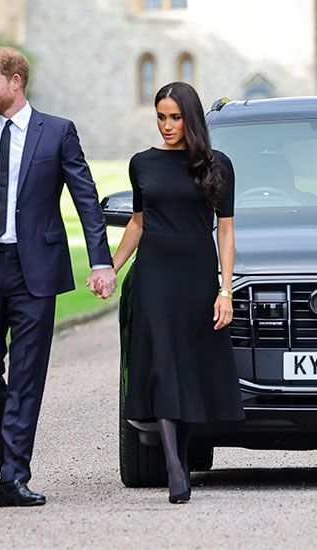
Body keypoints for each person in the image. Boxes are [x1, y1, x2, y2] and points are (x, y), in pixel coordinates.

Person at [0, 46, 116, 507]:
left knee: (27, 375)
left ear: (15, 82)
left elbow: (85, 199)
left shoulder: (57, 132)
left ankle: (13, 475)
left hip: (37, 270)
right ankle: (9, 462)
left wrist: (100, 260)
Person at [110, 82, 244, 504]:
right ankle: (173, 469)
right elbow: (137, 222)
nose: (167, 126)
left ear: (191, 118)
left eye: (175, 117)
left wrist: (225, 289)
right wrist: (109, 268)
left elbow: (225, 230)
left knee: (187, 366)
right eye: (161, 117)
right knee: (164, 364)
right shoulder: (142, 163)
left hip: (198, 276)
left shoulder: (217, 164)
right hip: (154, 276)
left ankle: (180, 457)